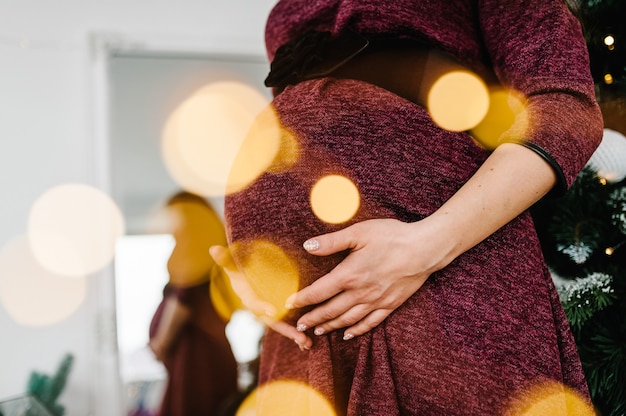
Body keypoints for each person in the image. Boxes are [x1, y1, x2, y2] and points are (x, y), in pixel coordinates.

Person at [211, 1, 604, 414]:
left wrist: (424, 246)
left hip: (436, 265)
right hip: (308, 323)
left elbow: (566, 107)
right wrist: (248, 265)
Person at [149, 191, 240, 416]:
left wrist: (161, 342)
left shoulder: (196, 259)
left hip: (196, 364)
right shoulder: (208, 254)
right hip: (202, 360)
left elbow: (183, 299)